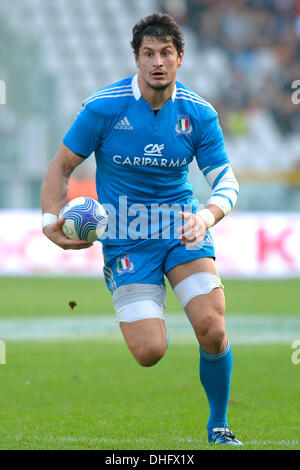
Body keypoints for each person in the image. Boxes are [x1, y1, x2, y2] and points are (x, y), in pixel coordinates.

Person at [41, 13, 242, 446]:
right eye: (148, 53)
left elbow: (226, 180)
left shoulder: (198, 113)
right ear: (136, 58)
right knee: (150, 351)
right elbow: (61, 166)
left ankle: (220, 425)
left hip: (181, 230)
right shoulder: (104, 107)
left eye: (166, 53)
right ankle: (130, 282)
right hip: (126, 236)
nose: (157, 62)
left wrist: (205, 217)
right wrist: (48, 221)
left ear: (180, 58)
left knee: (212, 326)